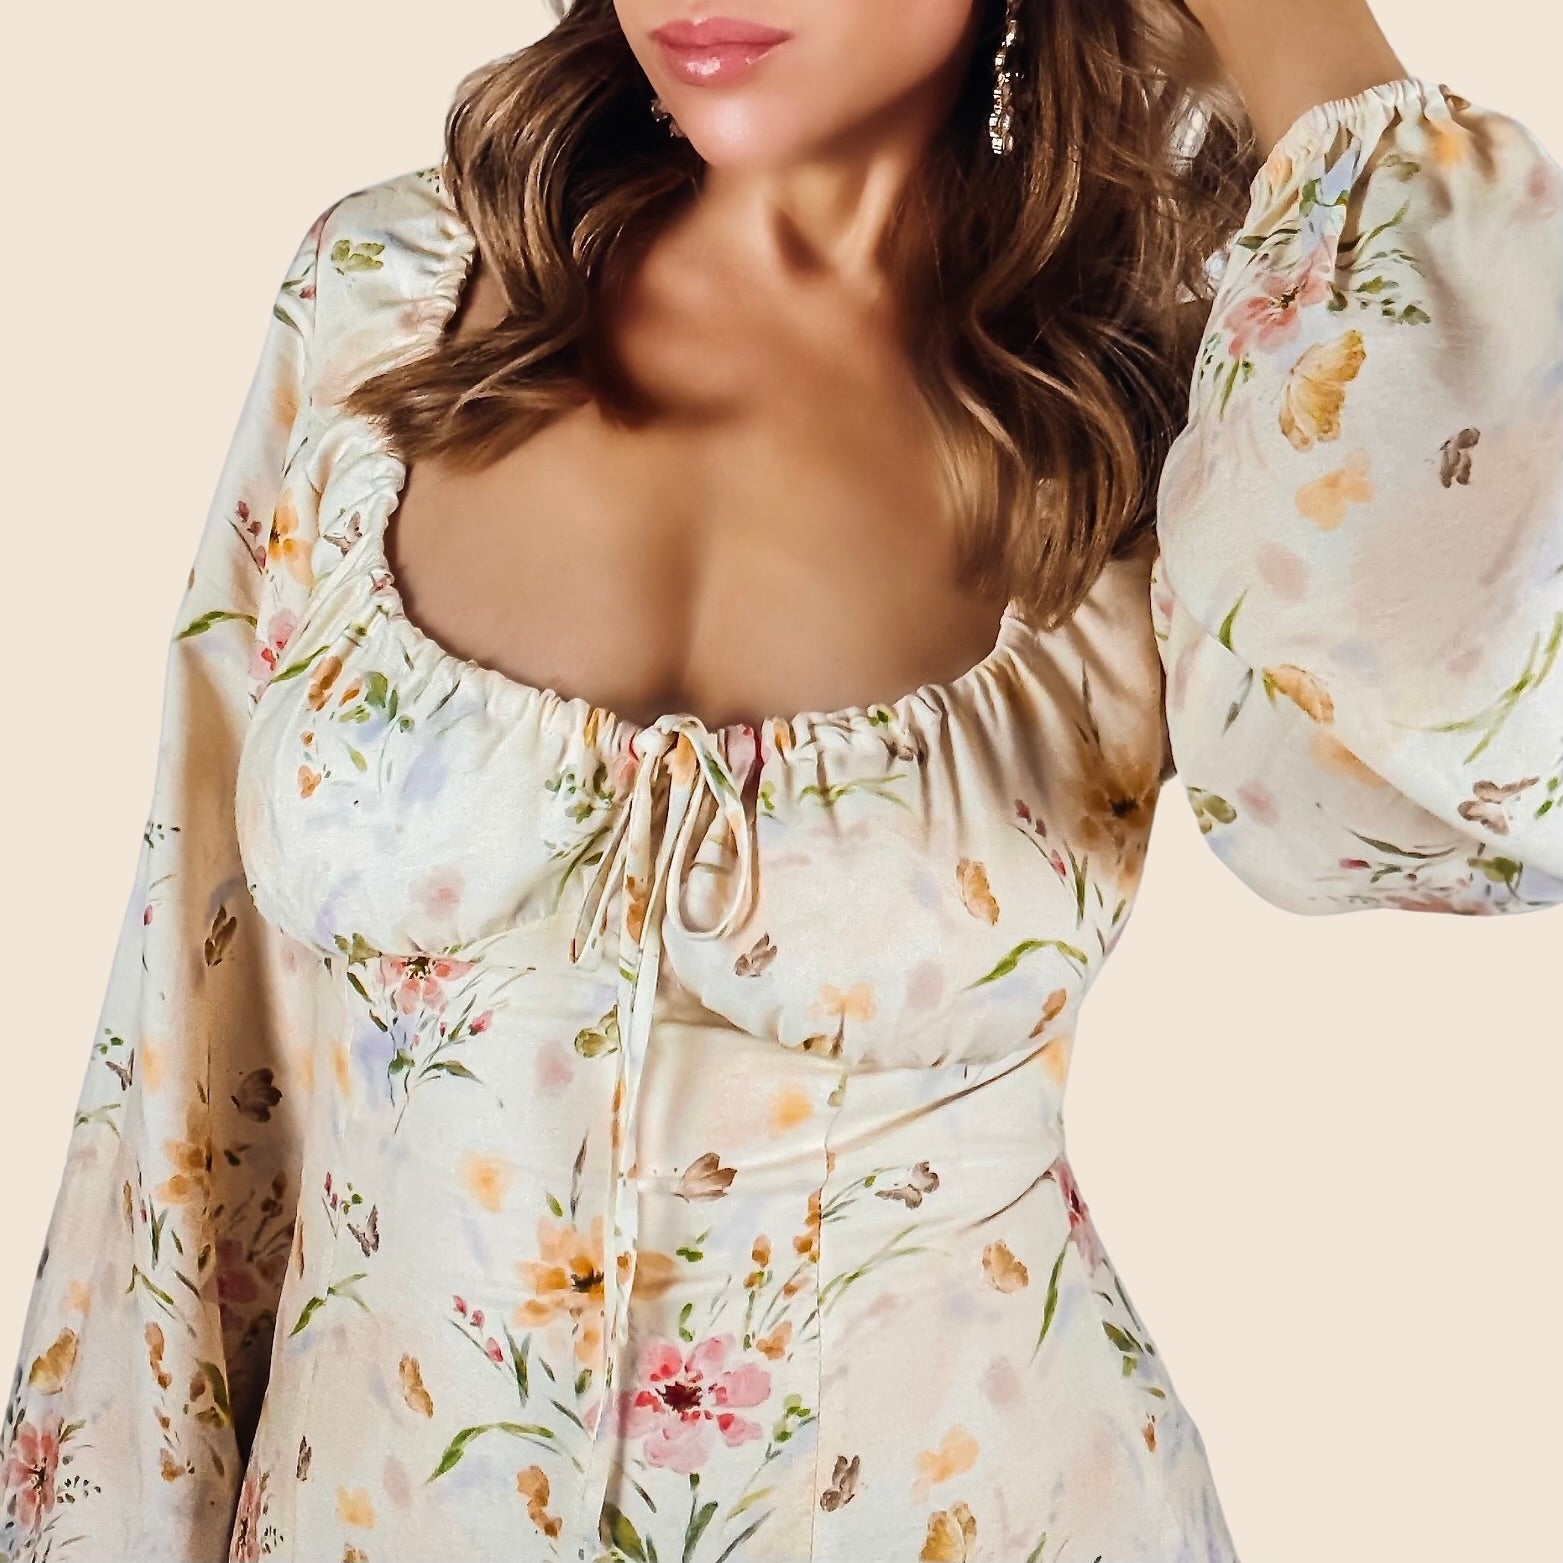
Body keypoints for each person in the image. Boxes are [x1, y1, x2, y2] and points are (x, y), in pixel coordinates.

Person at [3, 1, 1560, 1559]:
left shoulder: (1173, 398)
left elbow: (1484, 739)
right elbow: (186, 1054)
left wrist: (1302, 37)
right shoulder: (383, 298)